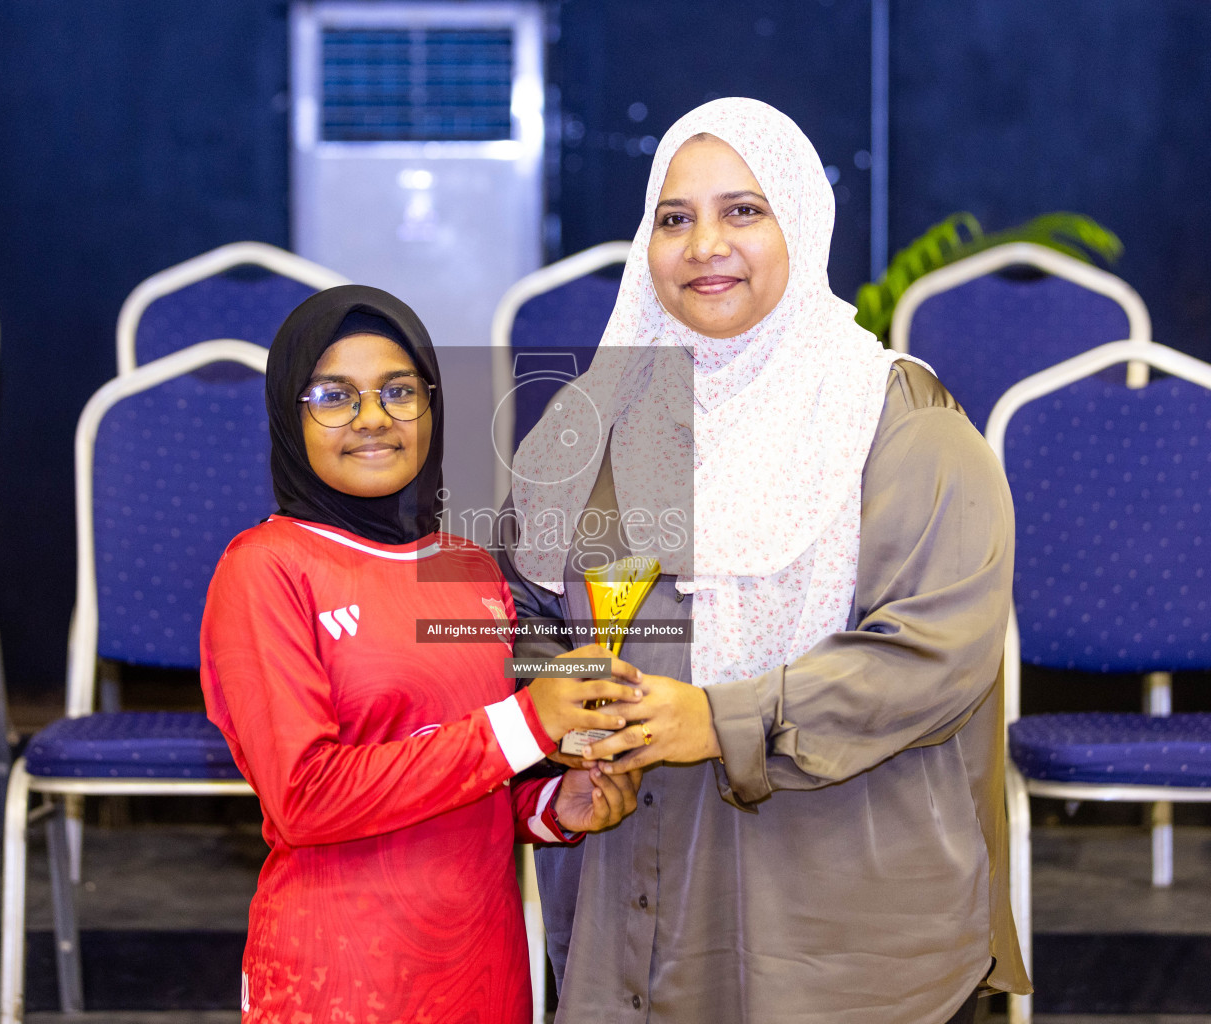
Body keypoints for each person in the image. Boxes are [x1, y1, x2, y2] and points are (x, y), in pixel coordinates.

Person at [499, 98, 1030, 1023]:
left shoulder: (896, 416)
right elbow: (522, 613)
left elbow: (936, 651)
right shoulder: (586, 422)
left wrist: (719, 720)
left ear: (803, 223)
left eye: (743, 210)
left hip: (835, 907)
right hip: (636, 887)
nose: (705, 243)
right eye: (675, 218)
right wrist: (569, 720)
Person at [200, 284, 645, 1024]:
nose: (373, 418)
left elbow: (461, 788)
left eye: (399, 391)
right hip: (341, 977)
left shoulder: (468, 566)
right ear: (289, 415)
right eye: (334, 395)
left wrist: (549, 808)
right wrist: (525, 726)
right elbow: (306, 798)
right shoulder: (263, 568)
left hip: (485, 969)